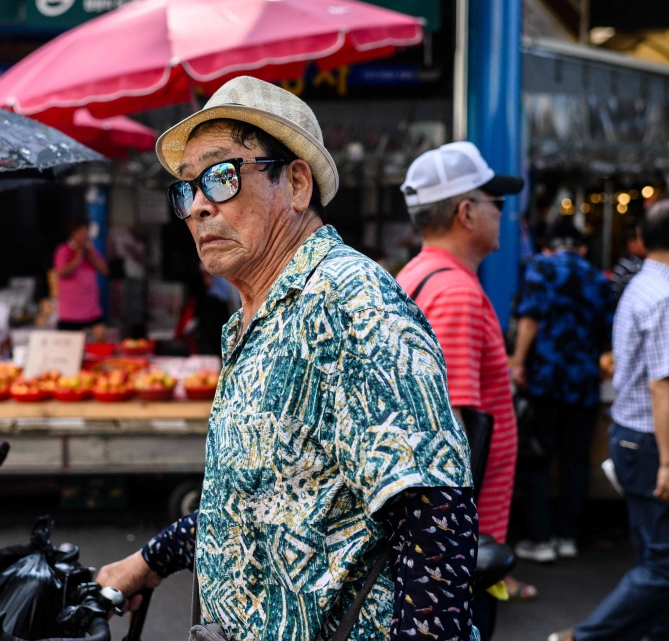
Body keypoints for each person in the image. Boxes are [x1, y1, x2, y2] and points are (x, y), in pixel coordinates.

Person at [96, 76, 479, 641]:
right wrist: (146, 563)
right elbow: (266, 503)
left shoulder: (349, 302)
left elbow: (436, 516)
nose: (199, 206)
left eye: (222, 177)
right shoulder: (256, 318)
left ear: (296, 183)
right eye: (187, 189)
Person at [549, 197, 669, 641]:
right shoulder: (666, 298)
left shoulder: (644, 285)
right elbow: (663, 385)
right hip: (657, 446)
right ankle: (582, 638)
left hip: (638, 440)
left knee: (656, 564)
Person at [394, 141, 523, 636]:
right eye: (497, 203)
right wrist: (449, 559)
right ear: (467, 212)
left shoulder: (419, 275)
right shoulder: (455, 293)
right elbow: (453, 432)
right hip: (457, 550)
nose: (502, 214)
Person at [509, 219, 614, 564]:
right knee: (576, 460)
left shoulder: (540, 270)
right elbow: (607, 329)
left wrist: (519, 362)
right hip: (583, 380)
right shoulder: (598, 277)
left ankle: (540, 539)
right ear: (582, 248)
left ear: (549, 247)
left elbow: (529, 319)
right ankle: (568, 536)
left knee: (539, 458)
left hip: (546, 377)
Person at [54, 217, 108, 334]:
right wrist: (78, 257)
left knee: (100, 337)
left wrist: (92, 257)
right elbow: (61, 273)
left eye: (86, 232)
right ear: (74, 233)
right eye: (82, 232)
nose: (85, 235)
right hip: (70, 314)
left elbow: (105, 271)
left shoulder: (91, 251)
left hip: (92, 311)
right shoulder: (63, 250)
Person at [611, 225, 645, 300]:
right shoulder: (631, 267)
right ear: (631, 244)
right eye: (642, 240)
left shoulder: (624, 263)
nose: (646, 244)